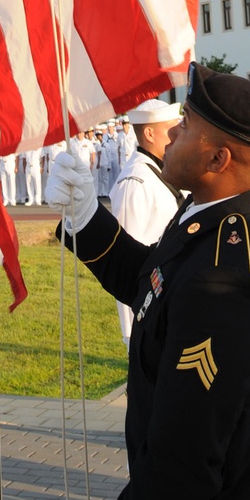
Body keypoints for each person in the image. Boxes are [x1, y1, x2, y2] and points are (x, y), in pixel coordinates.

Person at [48, 63, 250, 500]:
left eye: (187, 125)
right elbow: (153, 287)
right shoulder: (219, 214)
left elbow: (184, 458)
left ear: (218, 160)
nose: (172, 134)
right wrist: (85, 217)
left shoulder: (226, 277)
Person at [107, 98, 184, 345]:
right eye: (171, 129)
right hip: (146, 317)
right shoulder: (134, 181)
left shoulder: (159, 171)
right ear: (149, 133)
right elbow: (126, 262)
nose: (177, 135)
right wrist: (132, 333)